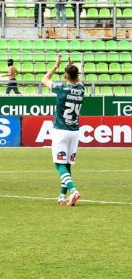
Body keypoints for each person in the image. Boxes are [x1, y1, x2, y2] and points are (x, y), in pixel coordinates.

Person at [41, 55, 83, 207]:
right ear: (77, 76)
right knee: (67, 164)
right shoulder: (81, 88)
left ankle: (73, 190)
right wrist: (70, 66)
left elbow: (44, 79)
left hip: (61, 130)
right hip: (75, 131)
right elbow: (76, 80)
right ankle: (62, 196)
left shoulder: (61, 88)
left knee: (59, 165)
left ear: (65, 75)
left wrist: (55, 66)